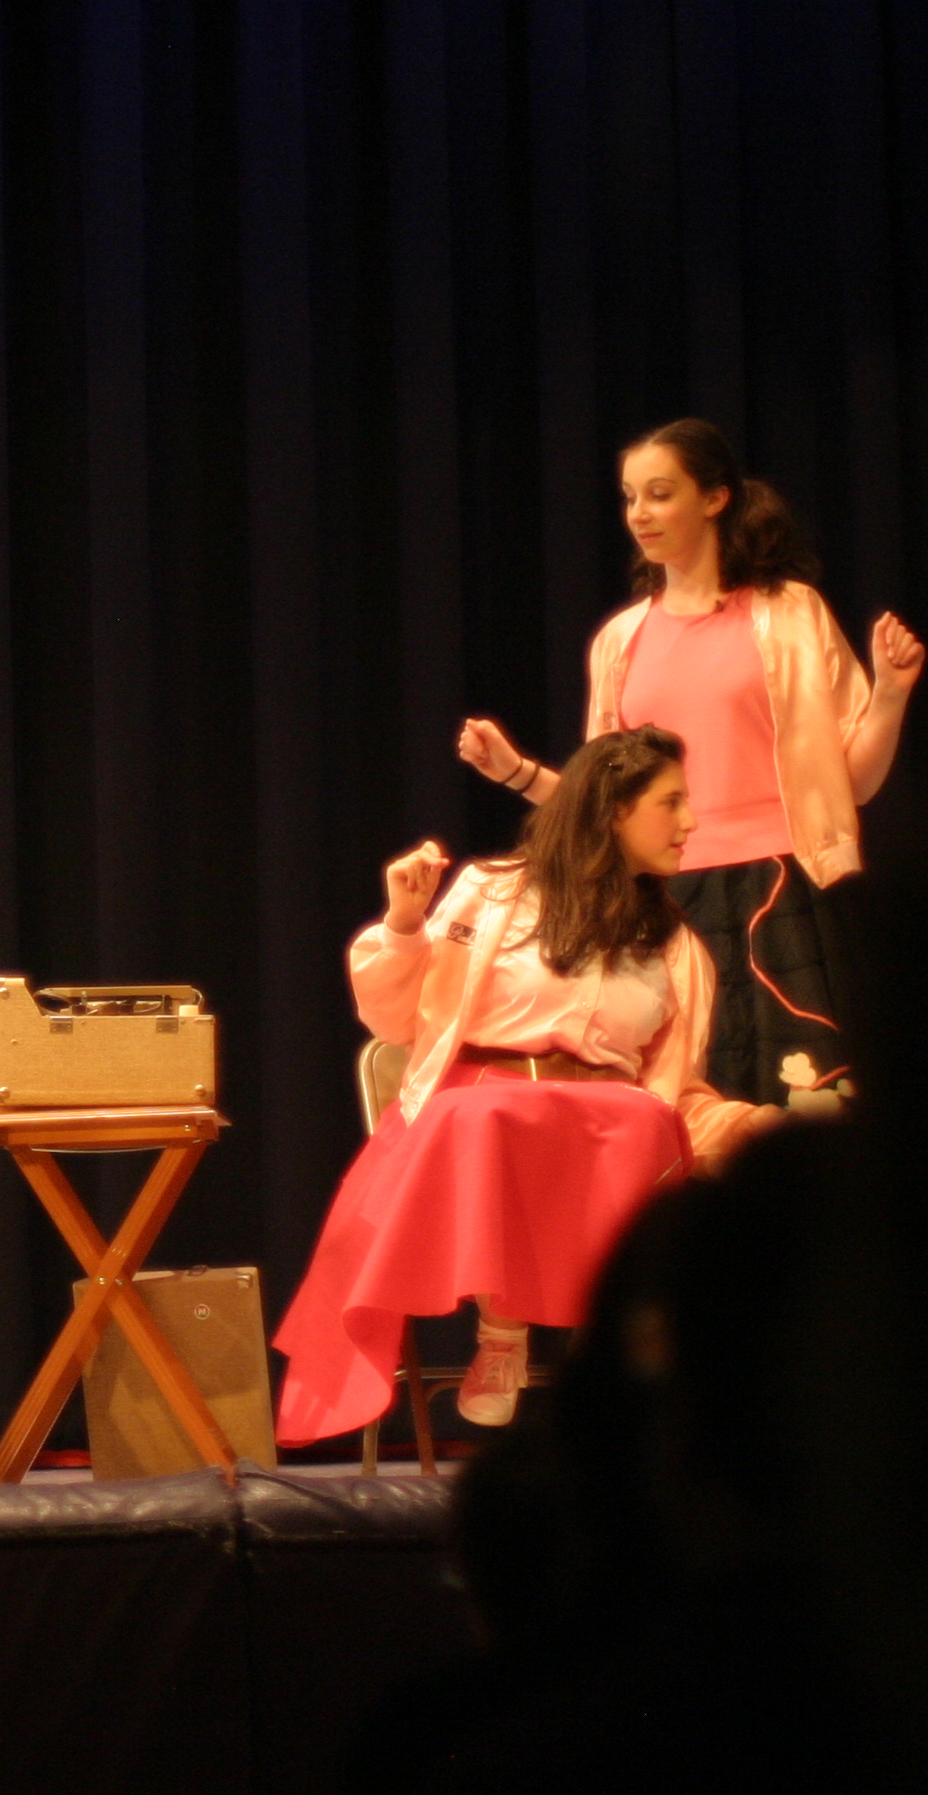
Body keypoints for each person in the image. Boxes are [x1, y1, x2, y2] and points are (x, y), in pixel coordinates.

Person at [275, 728, 774, 1448]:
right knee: (493, 1113)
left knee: (643, 1126)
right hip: (488, 1097)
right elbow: (395, 1019)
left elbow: (673, 1091)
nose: (690, 822)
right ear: (614, 810)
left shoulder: (675, 945)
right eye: (671, 803)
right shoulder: (494, 893)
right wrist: (406, 925)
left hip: (608, 1122)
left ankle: (614, 1363)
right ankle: (501, 1334)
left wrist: (745, 1125)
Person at [457, 420, 923, 1108]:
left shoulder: (790, 614)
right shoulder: (620, 640)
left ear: (714, 498)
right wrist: (516, 772)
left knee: (805, 1099)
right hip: (664, 904)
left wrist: (889, 694)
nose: (639, 514)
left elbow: (850, 783)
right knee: (682, 1106)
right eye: (629, 497)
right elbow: (603, 806)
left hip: (783, 891)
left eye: (660, 493)